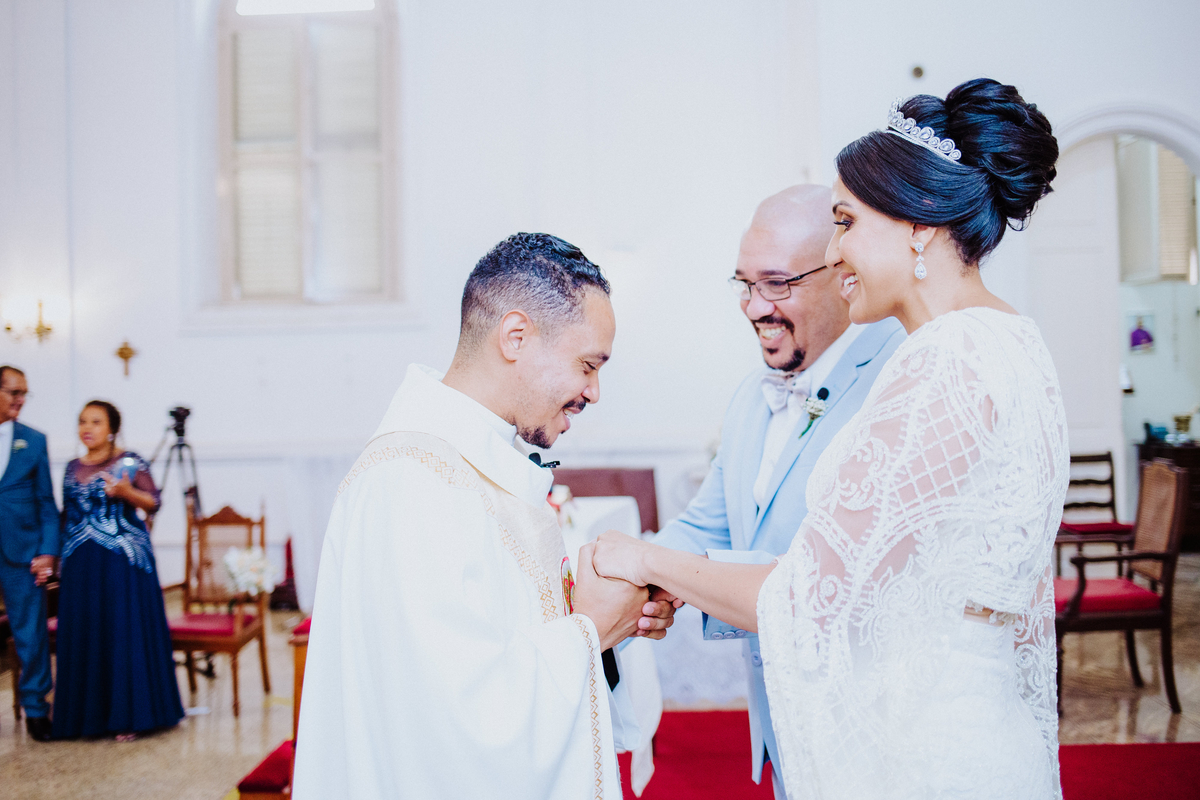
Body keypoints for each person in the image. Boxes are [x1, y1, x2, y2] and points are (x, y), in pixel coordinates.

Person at [593, 78, 1067, 799]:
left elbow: (808, 598)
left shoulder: (944, 362)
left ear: (920, 225)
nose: (836, 250)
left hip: (921, 757)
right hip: (975, 731)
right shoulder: (1014, 343)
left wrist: (642, 557)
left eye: (846, 223)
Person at [293, 233, 679, 799]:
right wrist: (592, 628)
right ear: (515, 336)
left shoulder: (473, 464)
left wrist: (613, 621)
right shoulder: (412, 483)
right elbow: (453, 721)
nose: (594, 392)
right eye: (587, 365)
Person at [651, 184, 904, 796]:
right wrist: (627, 577)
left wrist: (654, 569)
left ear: (842, 273)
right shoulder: (750, 396)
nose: (753, 306)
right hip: (785, 725)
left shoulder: (899, 378)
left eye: (776, 283)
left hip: (878, 727)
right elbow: (704, 525)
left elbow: (863, 577)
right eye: (744, 284)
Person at [52, 400, 184, 740]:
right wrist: (54, 558)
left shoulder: (130, 461)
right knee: (87, 632)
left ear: (112, 429)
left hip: (122, 563)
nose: (87, 428)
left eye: (96, 422)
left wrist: (127, 492)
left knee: (121, 633)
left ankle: (130, 715)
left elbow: (154, 502)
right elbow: (67, 515)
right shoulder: (71, 467)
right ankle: (86, 718)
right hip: (81, 564)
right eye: (83, 421)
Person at [0, 365, 59, 741]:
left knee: (31, 633)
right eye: (14, 392)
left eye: (25, 393)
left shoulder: (34, 441)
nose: (21, 399)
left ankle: (36, 708)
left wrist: (48, 552)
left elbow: (47, 504)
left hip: (22, 552)